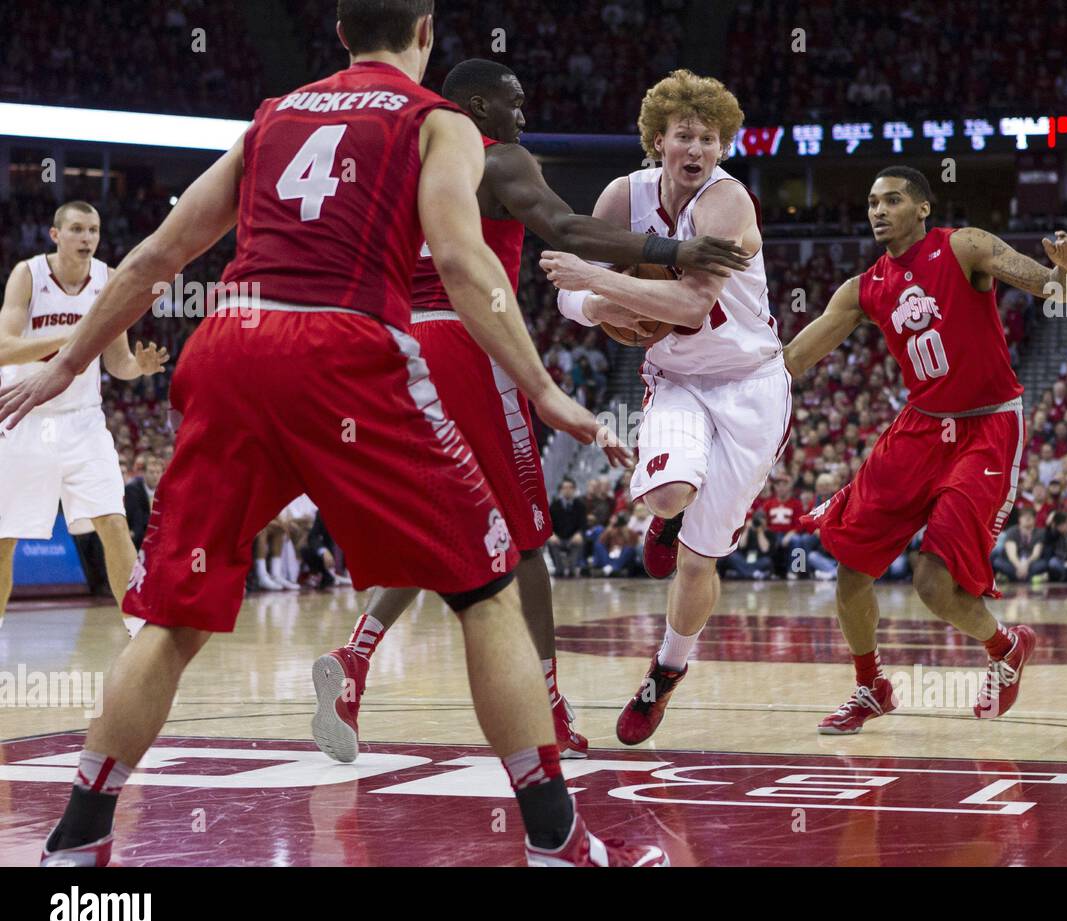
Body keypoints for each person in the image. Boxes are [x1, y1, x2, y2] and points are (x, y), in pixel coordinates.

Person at [3, 0, 663, 869]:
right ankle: (555, 838)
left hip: (231, 345)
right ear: (425, 33)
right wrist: (541, 388)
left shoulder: (271, 118)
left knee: (168, 619)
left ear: (341, 35)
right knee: (486, 587)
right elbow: (466, 266)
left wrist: (65, 363)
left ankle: (76, 841)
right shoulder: (440, 123)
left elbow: (158, 256)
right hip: (342, 349)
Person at [318, 58, 749, 761]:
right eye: (513, 104)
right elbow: (565, 228)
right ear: (478, 105)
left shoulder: (403, 158)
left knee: (447, 526)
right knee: (526, 543)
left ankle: (354, 661)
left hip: (392, 345)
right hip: (467, 341)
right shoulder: (498, 157)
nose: (522, 117)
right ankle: (548, 705)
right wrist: (673, 248)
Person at [784, 165, 1067, 733]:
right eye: (872, 201)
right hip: (919, 428)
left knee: (933, 585)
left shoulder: (964, 246)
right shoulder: (862, 288)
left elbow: (1049, 286)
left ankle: (1005, 646)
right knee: (851, 570)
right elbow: (795, 360)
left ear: (922, 208)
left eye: (892, 200)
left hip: (986, 427)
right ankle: (870, 686)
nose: (878, 210)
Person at [542, 69, 792, 746]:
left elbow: (689, 303)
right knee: (667, 494)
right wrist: (597, 302)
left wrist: (597, 283)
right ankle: (668, 516)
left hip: (750, 384)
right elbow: (565, 286)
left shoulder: (727, 202)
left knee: (699, 560)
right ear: (658, 140)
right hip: (679, 377)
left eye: (709, 138)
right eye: (685, 135)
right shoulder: (624, 194)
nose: (698, 148)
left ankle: (666, 671)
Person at [0, 202, 169, 635]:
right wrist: (77, 336)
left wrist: (139, 368)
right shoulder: (29, 274)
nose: (87, 238)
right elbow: (4, 347)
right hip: (23, 416)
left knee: (113, 523)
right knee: (4, 540)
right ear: (55, 235)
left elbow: (118, 362)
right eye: (76, 229)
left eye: (93, 229)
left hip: (82, 422)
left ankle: (140, 634)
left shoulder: (108, 280)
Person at [993, 509, 1049, 583]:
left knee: (1043, 563)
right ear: (1019, 519)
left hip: (1031, 562)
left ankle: (1012, 577)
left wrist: (1026, 564)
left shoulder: (1040, 532)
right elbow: (1011, 555)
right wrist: (1019, 566)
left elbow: (1036, 554)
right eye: (1024, 517)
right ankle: (1029, 578)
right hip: (1014, 562)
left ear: (1034, 519)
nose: (1027, 519)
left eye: (1030, 517)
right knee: (997, 562)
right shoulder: (1012, 531)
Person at [547, 478, 588, 578]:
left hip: (573, 538)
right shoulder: (554, 506)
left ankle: (572, 569)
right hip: (558, 538)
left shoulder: (580, 505)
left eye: (570, 488)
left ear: (574, 489)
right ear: (560, 490)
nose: (567, 490)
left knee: (579, 542)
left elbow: (583, 524)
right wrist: (552, 534)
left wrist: (579, 533)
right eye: (565, 488)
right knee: (551, 542)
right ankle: (559, 569)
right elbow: (548, 524)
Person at [124, 455, 164, 550]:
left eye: (158, 472)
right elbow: (138, 520)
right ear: (144, 473)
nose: (155, 475)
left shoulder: (166, 491)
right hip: (139, 540)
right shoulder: (132, 490)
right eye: (151, 472)